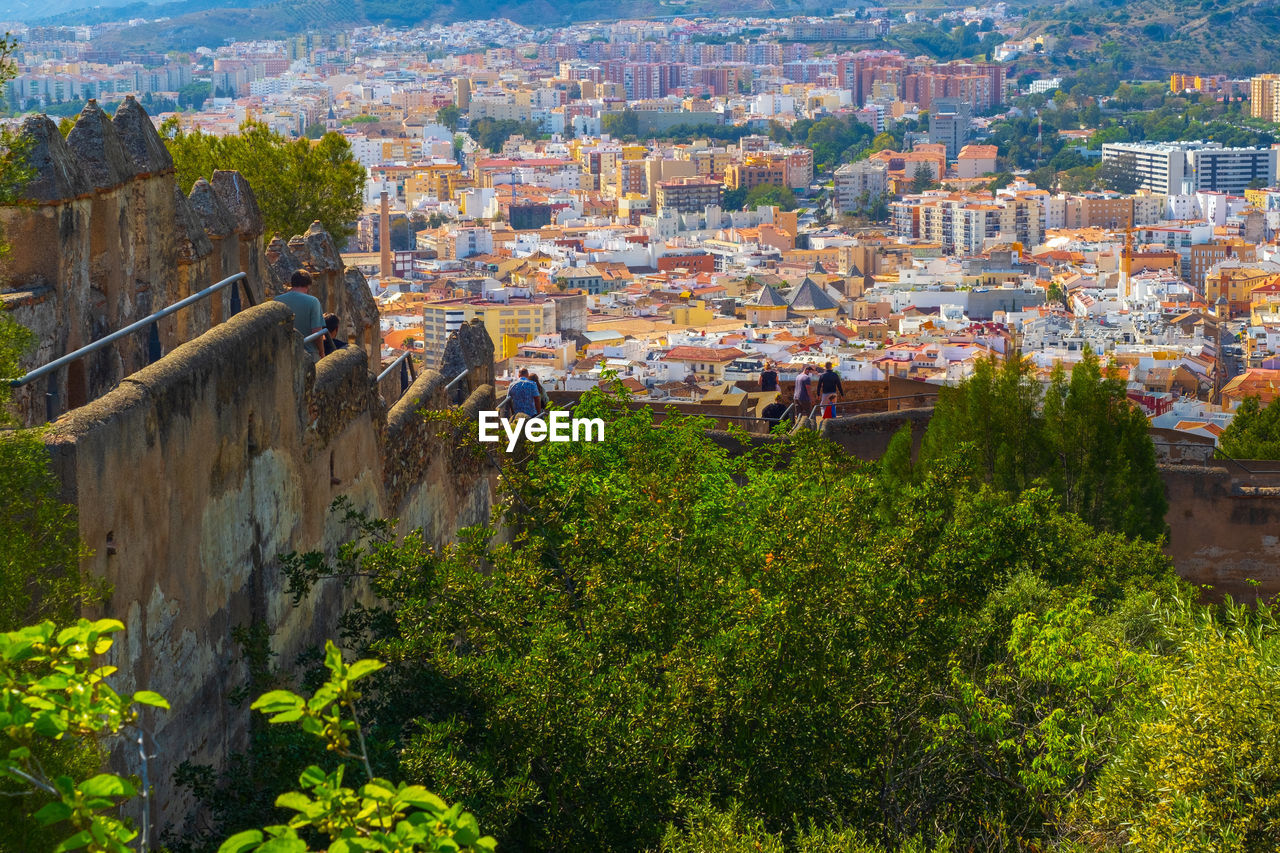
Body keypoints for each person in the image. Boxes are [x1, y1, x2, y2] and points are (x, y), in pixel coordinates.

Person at [275, 270, 324, 357]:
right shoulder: (313, 301)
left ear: (292, 283)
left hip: (284, 354)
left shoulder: (277, 300)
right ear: (308, 285)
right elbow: (316, 332)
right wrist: (322, 352)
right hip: (308, 352)